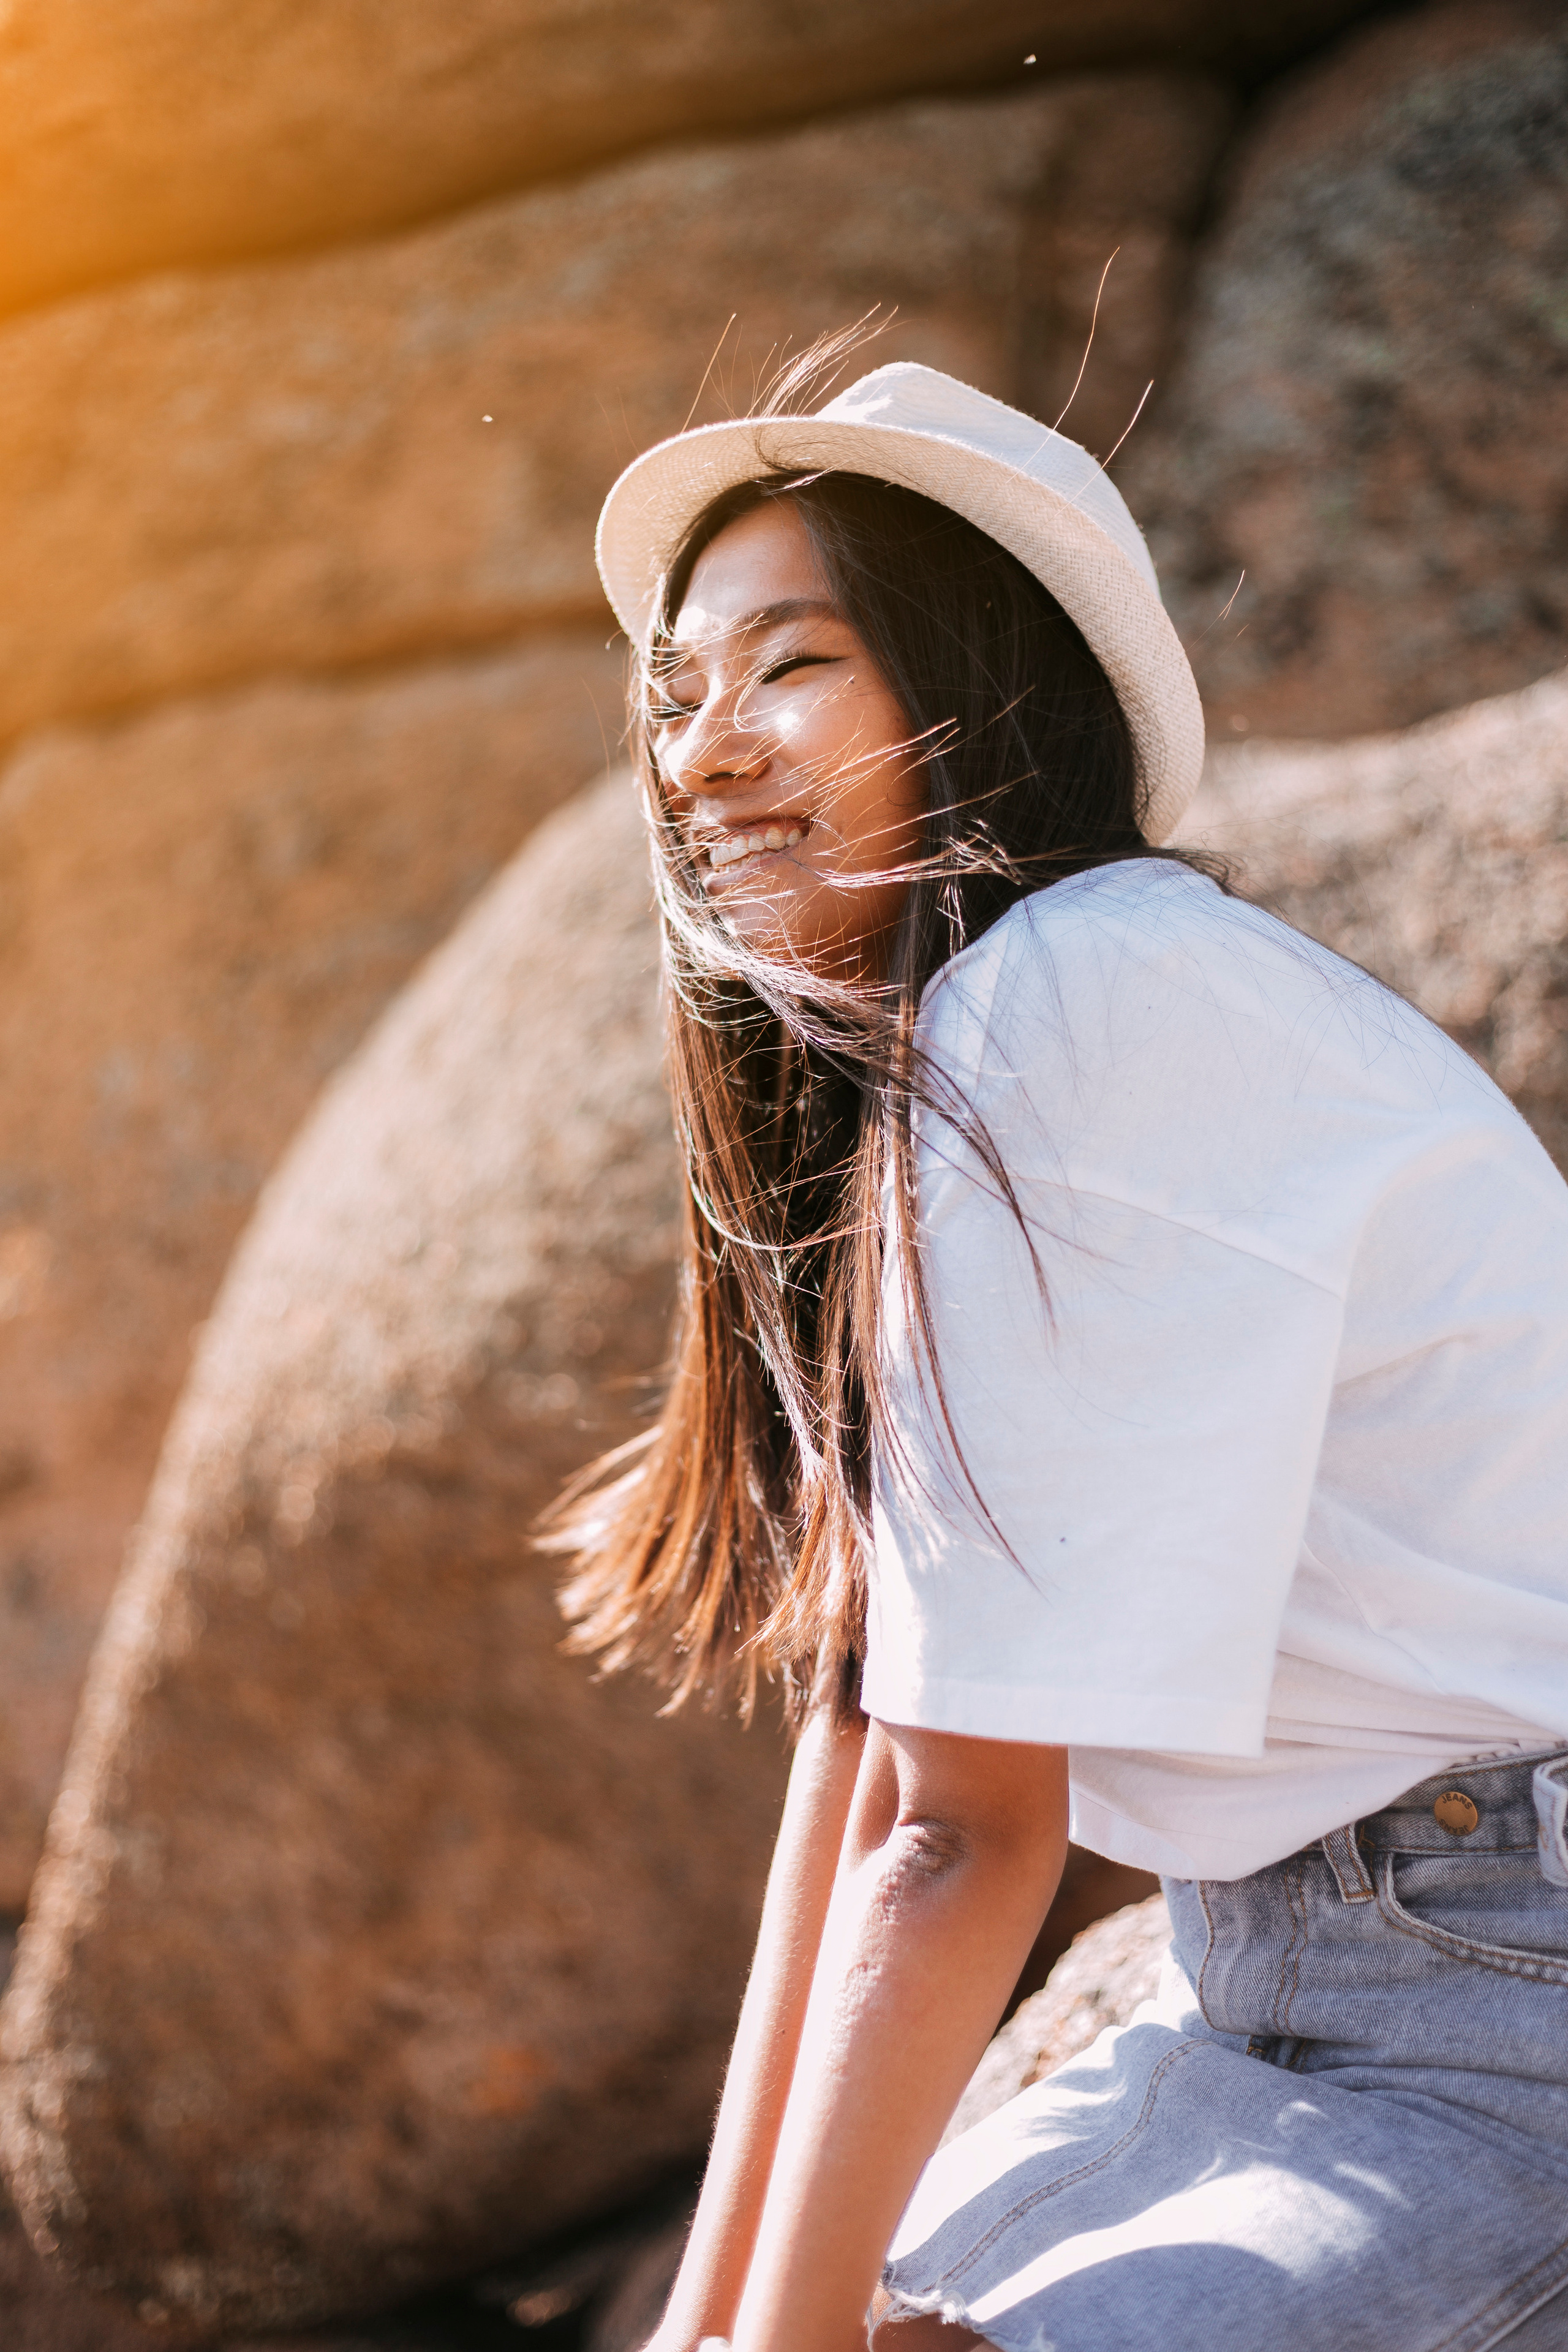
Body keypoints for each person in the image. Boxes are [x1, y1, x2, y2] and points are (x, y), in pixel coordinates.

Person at [547, 354, 1568, 2352]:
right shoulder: (980, 1052)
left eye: (789, 667)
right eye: (676, 692)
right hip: (1264, 1990)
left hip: (1511, 2002)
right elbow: (868, 1757)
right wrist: (716, 2321)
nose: (699, 751)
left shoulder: (1083, 1006)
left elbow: (962, 1836)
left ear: (973, 688)